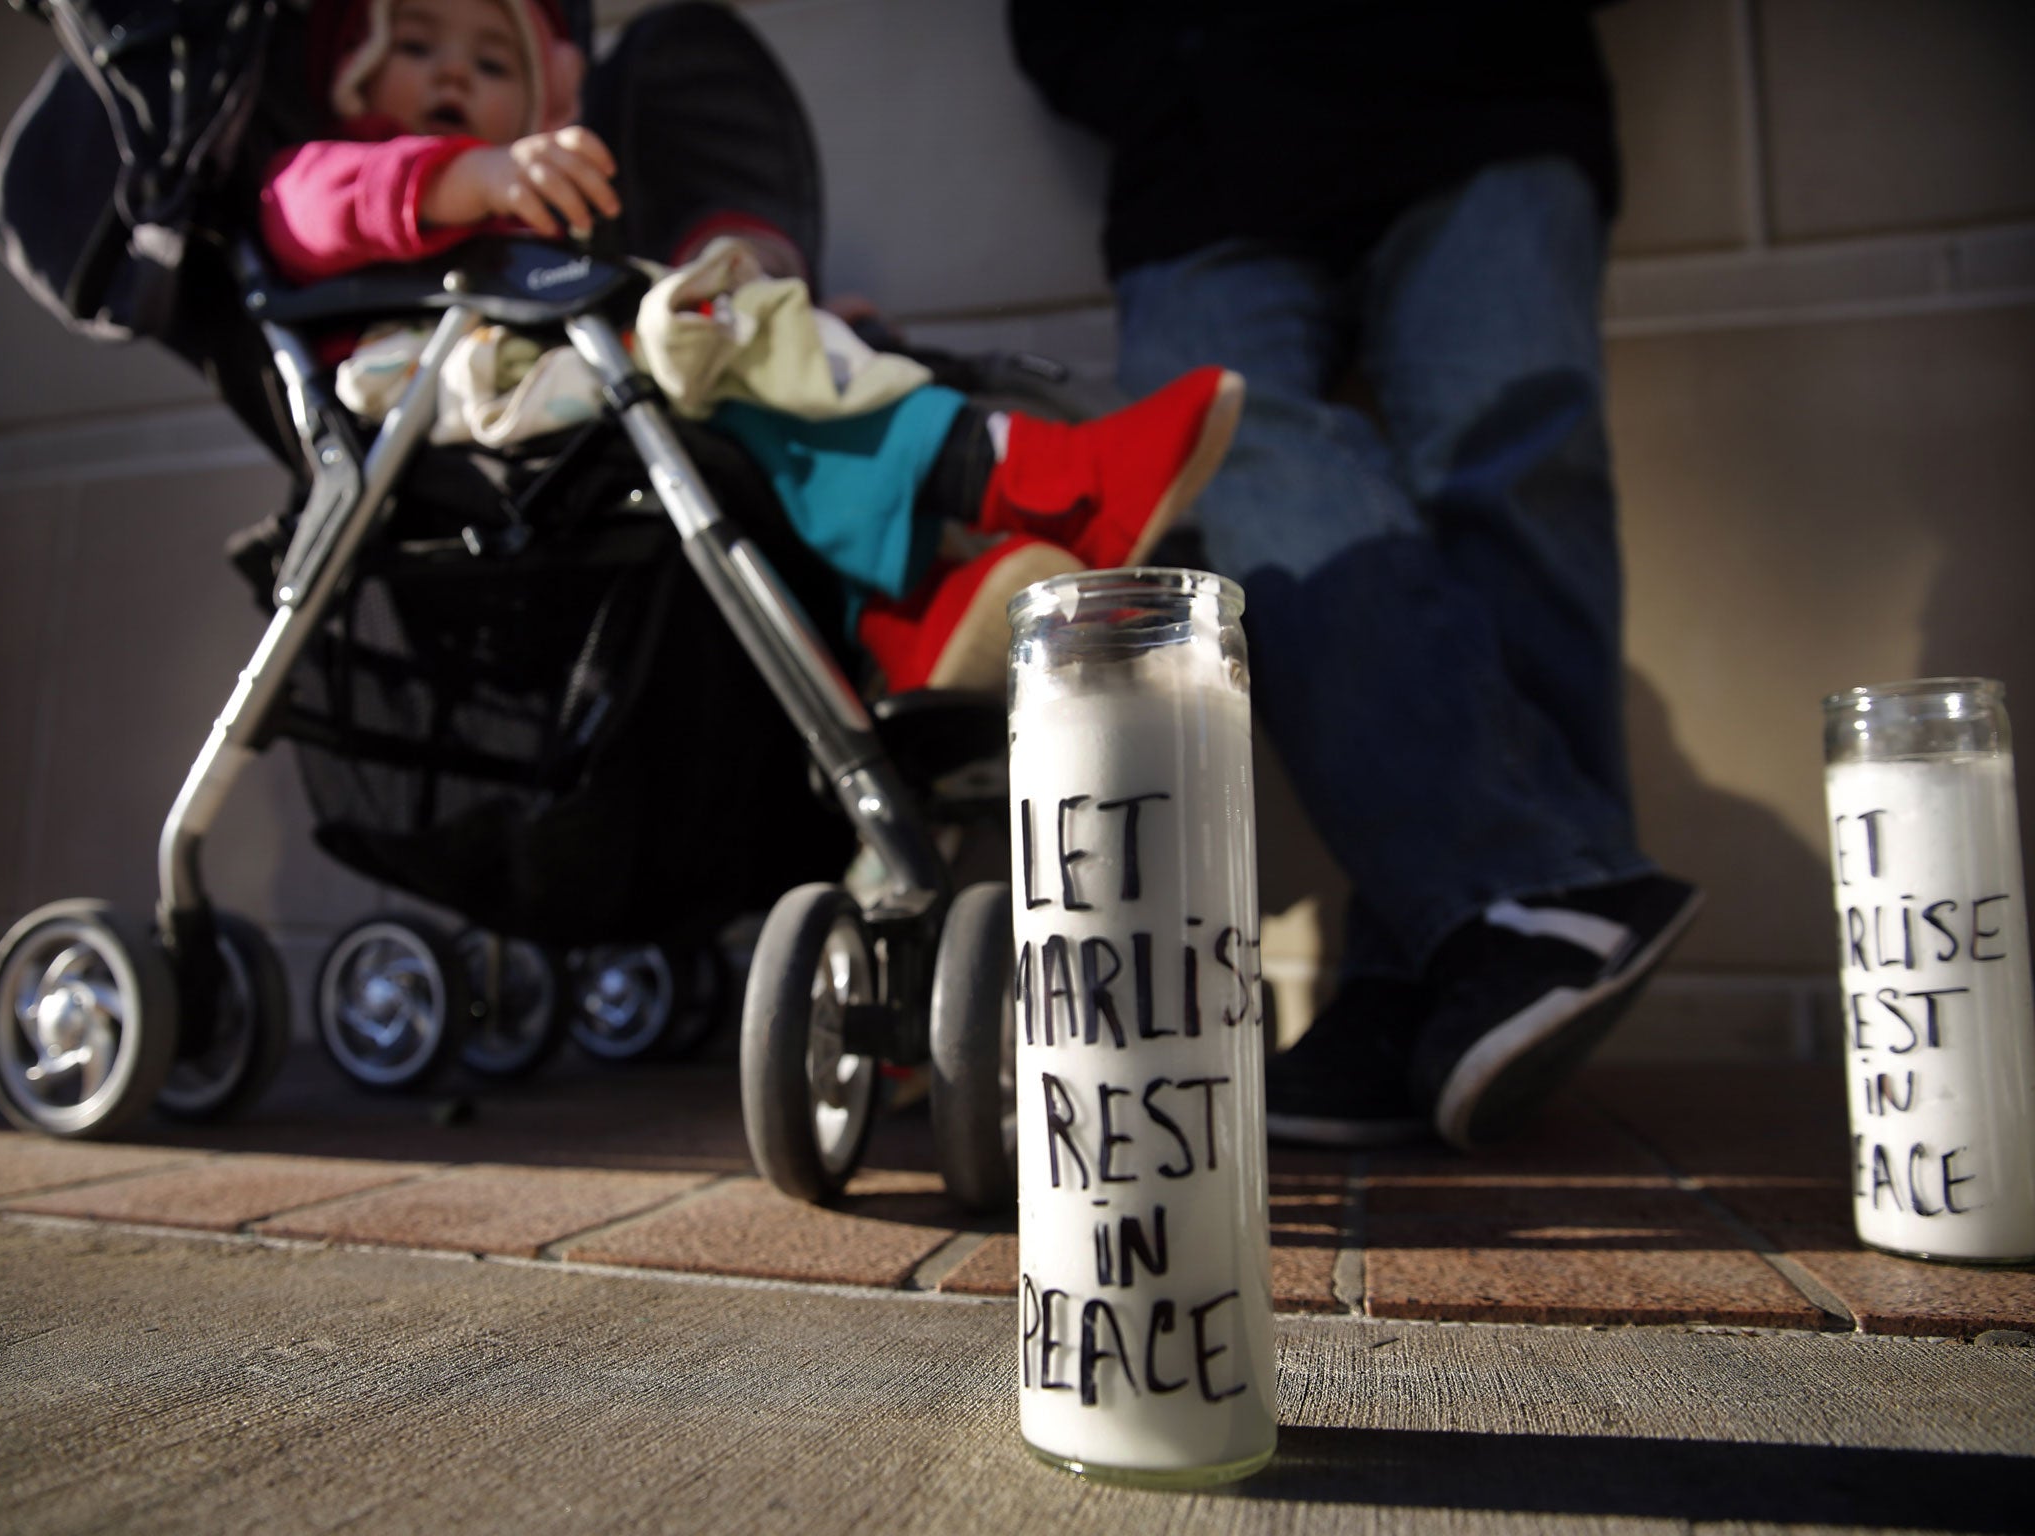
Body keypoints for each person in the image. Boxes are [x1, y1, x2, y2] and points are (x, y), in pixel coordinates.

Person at [1010, 0, 1701, 1152]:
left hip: (1477, 78)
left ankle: (1454, 952)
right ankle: (1520, 902)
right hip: (1202, 146)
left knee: (1508, 476)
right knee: (1219, 460)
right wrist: (1168, 64)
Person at [259, 0, 1246, 692]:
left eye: (489, 63)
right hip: (436, 385)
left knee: (766, 391)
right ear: (351, 72)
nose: (449, 73)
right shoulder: (341, 175)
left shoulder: (531, 235)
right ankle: (1041, 478)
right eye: (416, 43)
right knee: (719, 333)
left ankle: (910, 620)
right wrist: (471, 173)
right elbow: (304, 209)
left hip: (542, 385)